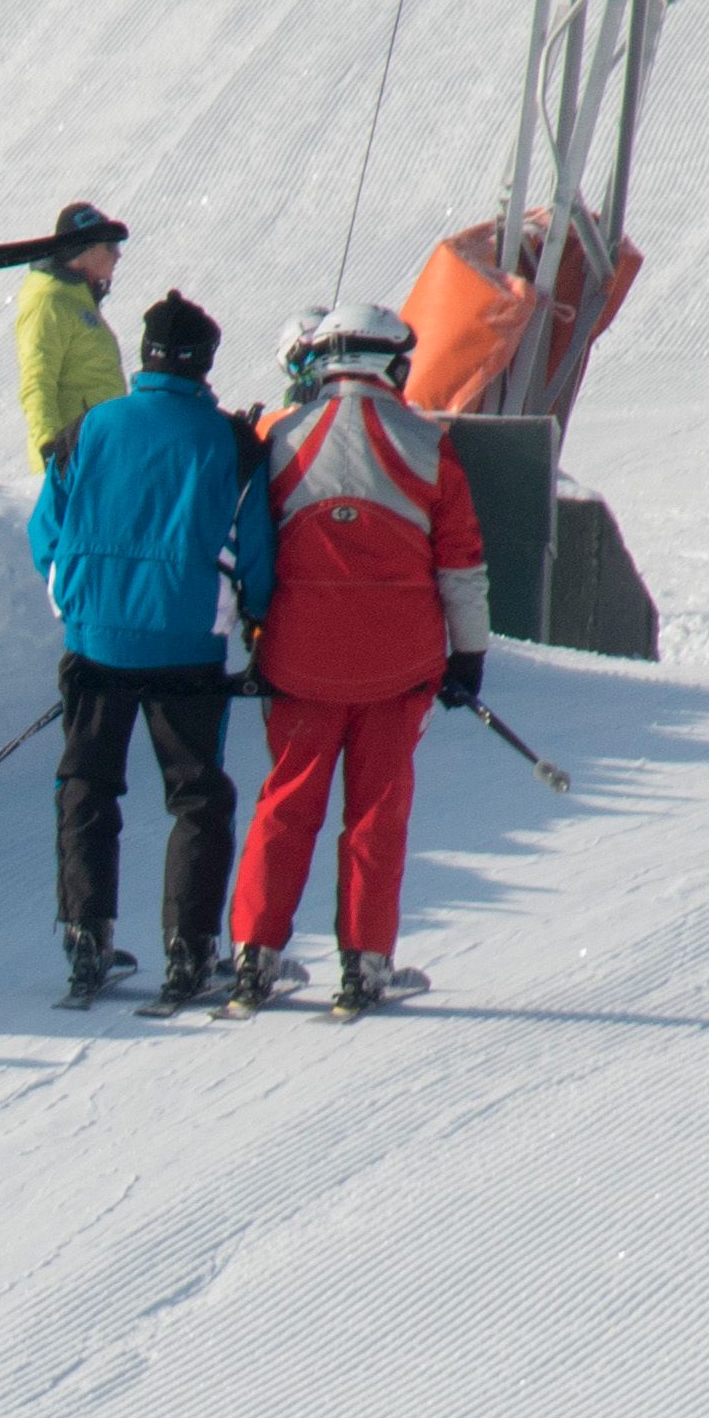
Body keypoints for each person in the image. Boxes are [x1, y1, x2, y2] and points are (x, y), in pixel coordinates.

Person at [229, 311, 491, 1009]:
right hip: (396, 663)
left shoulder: (277, 436)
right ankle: (366, 960)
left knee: (286, 802)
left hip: (299, 655)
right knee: (377, 810)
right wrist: (469, 654)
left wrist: (255, 627)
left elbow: (251, 544)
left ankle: (255, 951)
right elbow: (460, 564)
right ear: (390, 366)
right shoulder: (429, 445)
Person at [29, 289, 277, 1009]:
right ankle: (190, 947)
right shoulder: (230, 441)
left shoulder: (91, 428)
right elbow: (255, 550)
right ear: (205, 364)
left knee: (85, 787)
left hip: (95, 638)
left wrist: (70, 597)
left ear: (145, 356)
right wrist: (255, 616)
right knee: (197, 796)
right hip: (187, 644)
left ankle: (85, 940)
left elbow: (45, 530)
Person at [14, 205, 131, 476]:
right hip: (72, 462)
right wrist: (50, 448)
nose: (118, 255)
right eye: (110, 247)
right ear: (86, 250)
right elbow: (37, 382)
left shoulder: (76, 300)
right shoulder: (49, 303)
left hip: (97, 455)